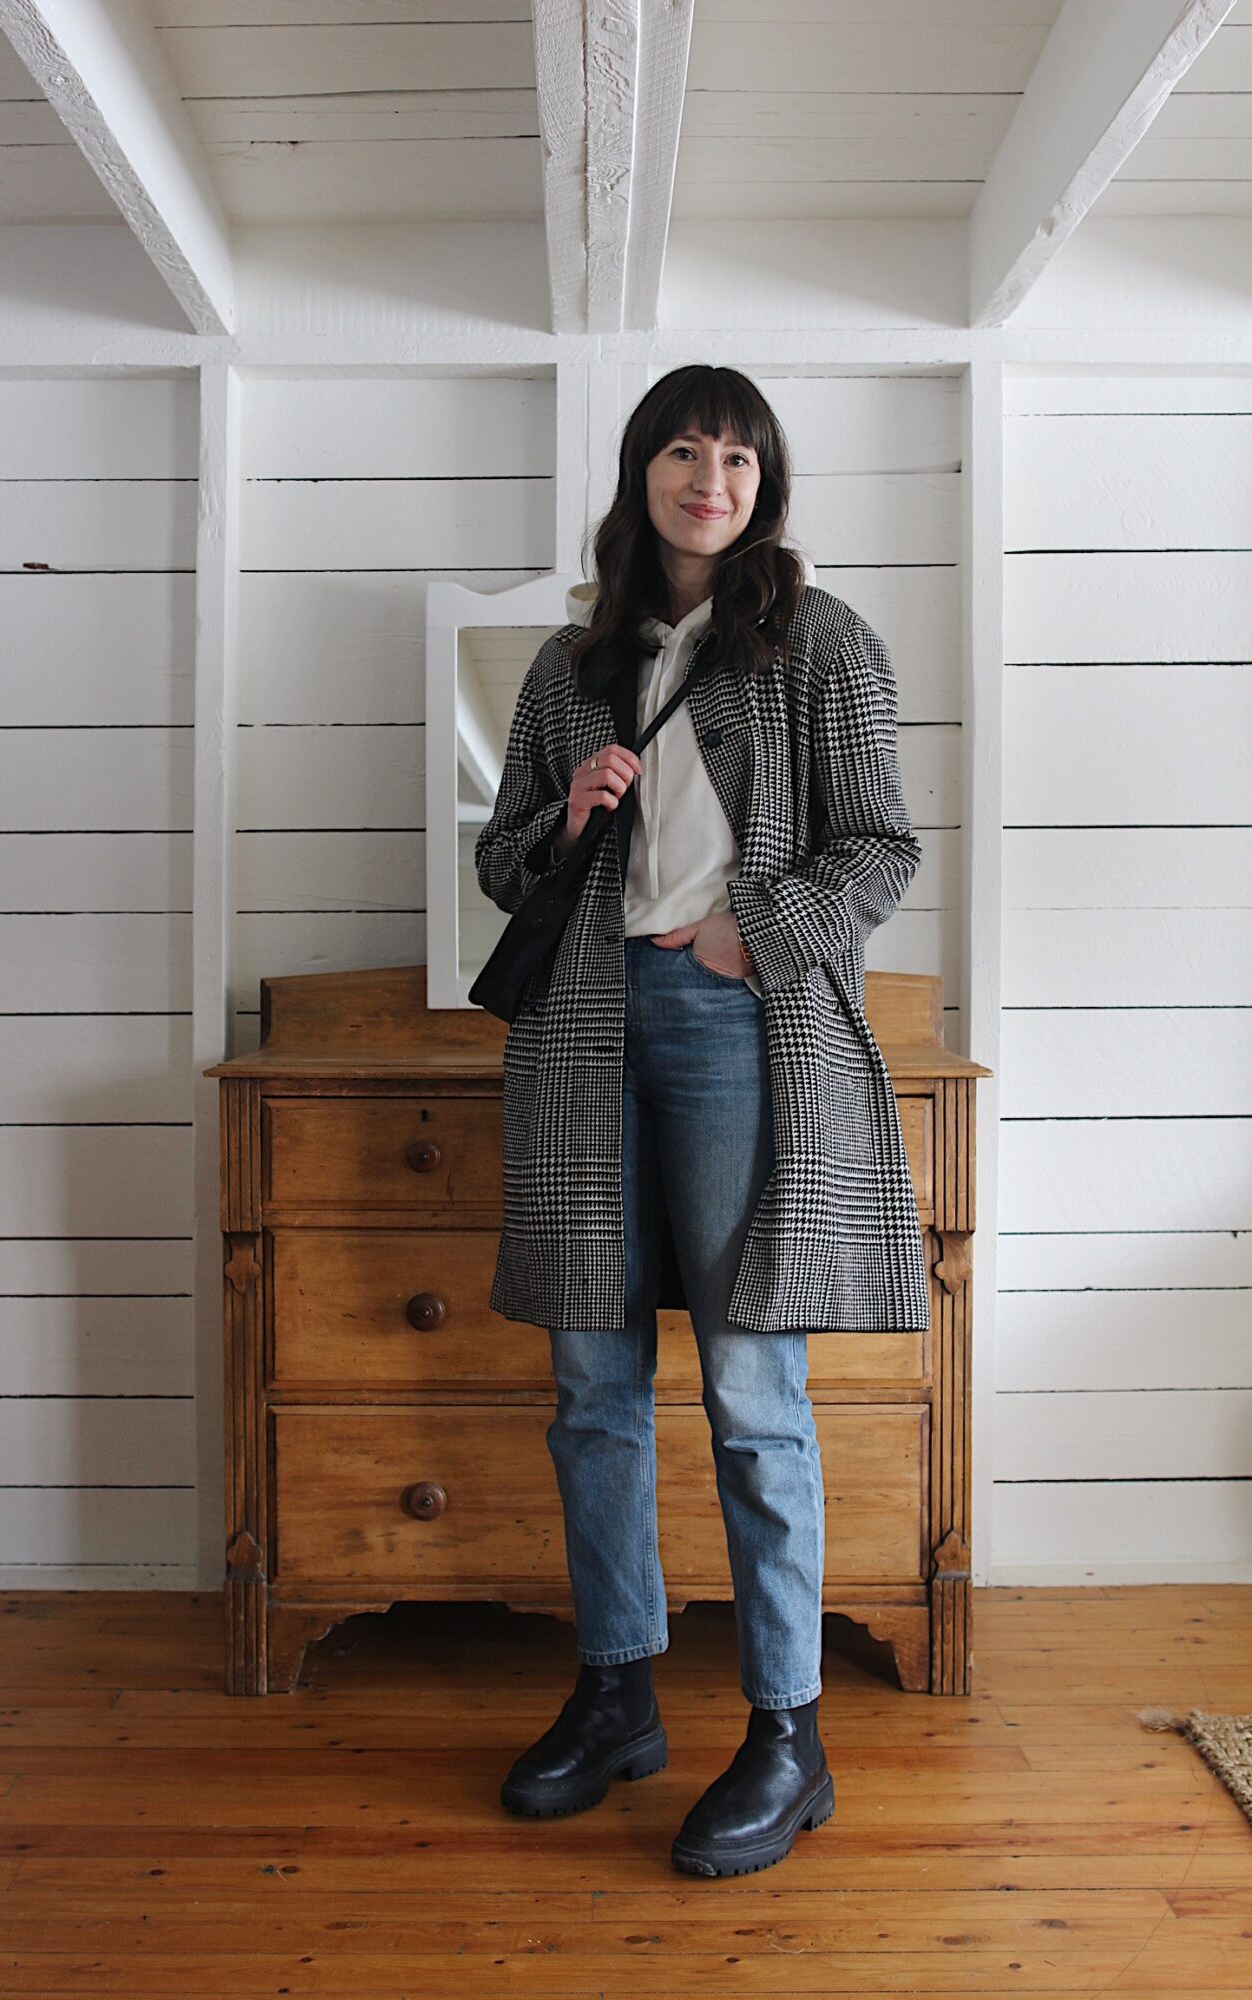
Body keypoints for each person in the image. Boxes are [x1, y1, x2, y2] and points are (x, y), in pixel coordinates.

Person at [473, 364, 927, 1877]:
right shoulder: (567, 666)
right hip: (584, 1030)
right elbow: (500, 866)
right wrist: (567, 814)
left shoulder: (818, 646)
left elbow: (880, 844)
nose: (708, 478)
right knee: (592, 1387)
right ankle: (616, 1694)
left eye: (736, 456)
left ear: (763, 484)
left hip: (737, 1027)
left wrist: (755, 926)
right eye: (684, 449)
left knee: (749, 1393)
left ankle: (785, 1734)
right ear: (642, 472)